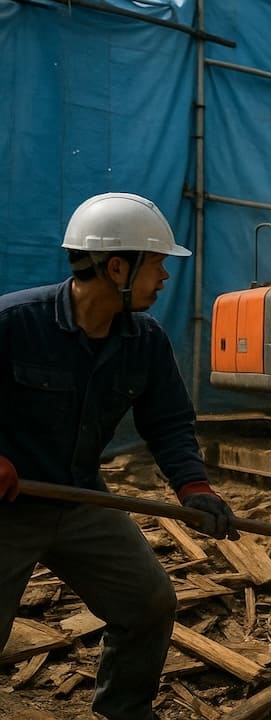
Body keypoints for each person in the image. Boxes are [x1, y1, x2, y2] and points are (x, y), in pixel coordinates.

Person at [0, 192, 239, 720]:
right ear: (116, 266)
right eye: (157, 264)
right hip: (8, 509)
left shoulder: (144, 340)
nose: (165, 278)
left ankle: (125, 711)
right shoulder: (15, 323)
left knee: (147, 604)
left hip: (81, 500)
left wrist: (194, 487)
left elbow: (169, 422)